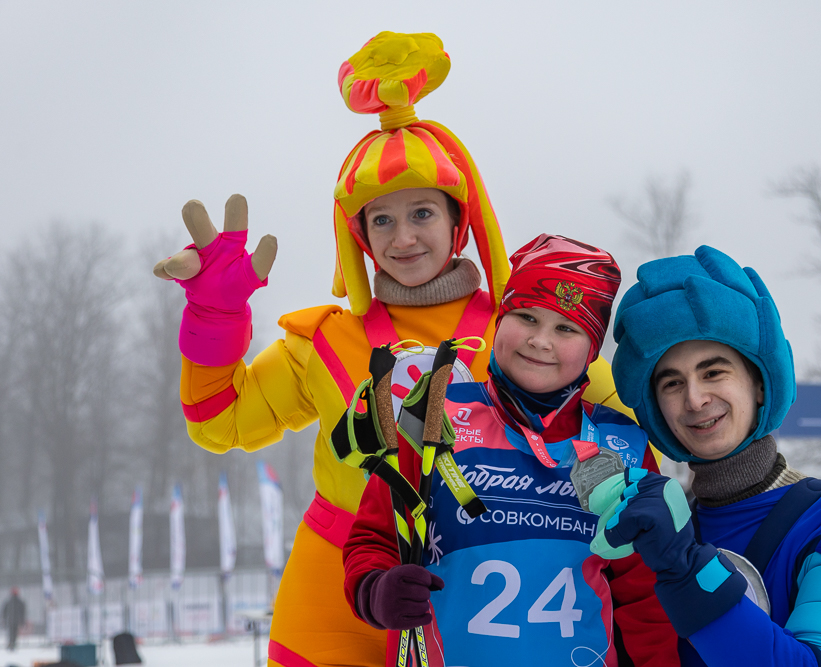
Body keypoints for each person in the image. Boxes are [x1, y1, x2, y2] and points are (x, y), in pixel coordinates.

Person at [153, 33, 633, 667]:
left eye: (422, 213)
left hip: (484, 593)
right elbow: (219, 423)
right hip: (334, 587)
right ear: (359, 235)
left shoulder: (523, 334)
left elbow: (634, 426)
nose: (403, 237)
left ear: (458, 220)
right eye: (381, 219)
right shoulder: (324, 341)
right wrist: (216, 316)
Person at [344, 235, 678, 666]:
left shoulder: (622, 445)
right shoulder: (434, 417)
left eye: (566, 328)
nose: (540, 340)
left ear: (592, 349)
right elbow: (374, 537)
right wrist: (376, 590)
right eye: (527, 316)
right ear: (500, 320)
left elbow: (646, 595)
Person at [588, 246, 821, 666]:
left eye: (713, 372)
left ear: (760, 384)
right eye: (672, 383)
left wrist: (685, 568)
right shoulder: (661, 528)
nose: (695, 399)